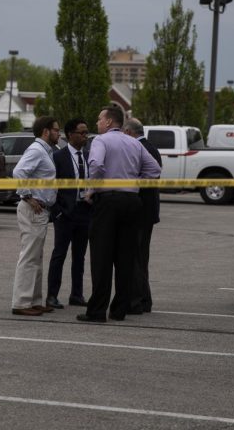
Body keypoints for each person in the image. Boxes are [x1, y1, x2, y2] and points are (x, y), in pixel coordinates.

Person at [77, 106, 161, 323]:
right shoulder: (134, 142)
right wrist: (134, 182)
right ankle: (119, 310)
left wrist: (91, 189)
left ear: (107, 122)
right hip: (132, 202)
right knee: (125, 258)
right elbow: (154, 170)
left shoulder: (101, 141)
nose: (97, 123)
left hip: (108, 202)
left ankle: (96, 311)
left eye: (99, 119)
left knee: (102, 257)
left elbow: (96, 164)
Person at [11, 116, 60, 316]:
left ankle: (34, 300)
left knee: (37, 257)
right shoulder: (36, 150)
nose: (59, 133)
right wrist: (28, 196)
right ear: (46, 132)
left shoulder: (45, 151)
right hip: (33, 209)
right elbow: (18, 172)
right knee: (29, 257)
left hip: (41, 211)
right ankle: (21, 303)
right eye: (56, 130)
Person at [46, 118, 91, 309]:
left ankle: (77, 294)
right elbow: (51, 187)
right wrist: (56, 212)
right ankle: (51, 295)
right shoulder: (58, 157)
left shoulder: (89, 156)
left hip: (85, 212)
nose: (85, 136)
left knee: (79, 257)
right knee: (59, 255)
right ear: (70, 135)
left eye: (87, 132)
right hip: (64, 214)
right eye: (82, 133)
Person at [123, 117, 162, 314]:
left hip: (139, 211)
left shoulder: (140, 149)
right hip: (148, 212)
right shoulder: (151, 147)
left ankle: (136, 301)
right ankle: (145, 300)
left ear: (129, 133)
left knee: (136, 258)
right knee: (141, 257)